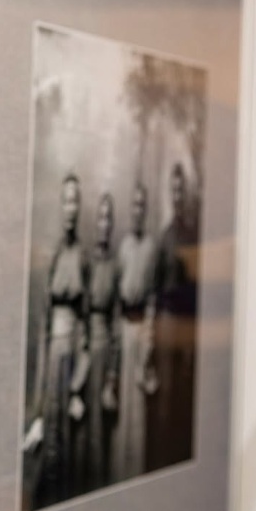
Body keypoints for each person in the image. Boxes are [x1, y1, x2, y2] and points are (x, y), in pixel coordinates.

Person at [23, 173, 90, 510]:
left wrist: (79, 382)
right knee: (47, 441)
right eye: (66, 200)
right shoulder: (51, 255)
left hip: (72, 356)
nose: (70, 208)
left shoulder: (84, 257)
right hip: (52, 359)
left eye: (75, 201)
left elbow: (86, 323)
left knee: (70, 447)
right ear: (60, 205)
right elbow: (44, 324)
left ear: (80, 207)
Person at [149, 163, 199, 470]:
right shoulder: (165, 237)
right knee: (164, 399)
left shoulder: (191, 236)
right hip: (166, 326)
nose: (177, 196)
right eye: (174, 190)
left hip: (186, 326)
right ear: (169, 193)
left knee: (183, 396)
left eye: (181, 190)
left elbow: (195, 291)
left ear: (186, 194)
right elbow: (156, 291)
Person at [111, 181, 157, 482]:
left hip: (141, 331)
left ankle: (135, 475)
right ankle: (118, 478)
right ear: (130, 210)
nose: (138, 211)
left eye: (142, 205)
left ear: (146, 210)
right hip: (124, 329)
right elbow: (118, 298)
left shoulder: (150, 248)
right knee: (122, 412)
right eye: (134, 205)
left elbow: (152, 298)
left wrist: (147, 346)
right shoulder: (124, 247)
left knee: (138, 410)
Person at [84, 193, 120, 491]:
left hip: (105, 350)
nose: (104, 224)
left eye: (109, 218)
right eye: (101, 218)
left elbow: (116, 321)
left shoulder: (114, 266)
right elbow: (82, 312)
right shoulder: (87, 262)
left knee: (101, 433)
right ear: (95, 223)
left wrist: (112, 376)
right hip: (85, 352)